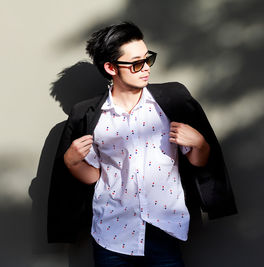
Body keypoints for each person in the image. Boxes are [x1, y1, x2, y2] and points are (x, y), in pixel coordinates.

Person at [47, 22, 237, 267]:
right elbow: (94, 175)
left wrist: (200, 143)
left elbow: (200, 162)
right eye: (136, 63)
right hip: (111, 234)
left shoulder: (173, 101)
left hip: (164, 229)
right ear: (110, 67)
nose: (146, 68)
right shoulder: (90, 115)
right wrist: (71, 162)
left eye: (148, 59)